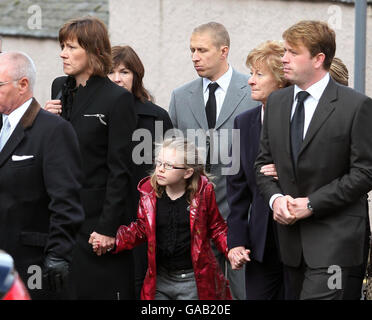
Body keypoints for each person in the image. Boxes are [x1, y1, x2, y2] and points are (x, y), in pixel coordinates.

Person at [255, 20, 372, 300]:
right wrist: (276, 200)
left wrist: (311, 204)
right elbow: (262, 165)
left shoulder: (356, 106)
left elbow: (365, 173)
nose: (284, 59)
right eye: (285, 51)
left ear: (319, 59)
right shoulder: (278, 103)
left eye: (293, 52)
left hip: (336, 242)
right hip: (291, 244)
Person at [44, 17, 137, 300]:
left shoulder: (117, 99)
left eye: (71, 47)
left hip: (95, 223)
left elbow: (121, 170)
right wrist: (46, 121)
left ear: (95, 50)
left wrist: (107, 228)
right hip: (58, 217)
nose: (63, 53)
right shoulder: (59, 87)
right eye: (62, 46)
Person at [168, 21, 257, 299]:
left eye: (202, 50)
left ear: (223, 51)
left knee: (245, 292)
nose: (195, 56)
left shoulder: (253, 90)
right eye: (192, 50)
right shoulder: (181, 96)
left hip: (245, 216)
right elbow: (173, 155)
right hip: (196, 219)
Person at [93, 137, 231, 300]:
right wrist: (113, 239)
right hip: (160, 279)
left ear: (187, 172)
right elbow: (141, 229)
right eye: (159, 163)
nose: (160, 169)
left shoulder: (203, 194)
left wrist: (233, 249)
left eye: (168, 166)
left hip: (192, 281)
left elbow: (217, 227)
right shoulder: (149, 195)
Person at [0, 51, 84, 299]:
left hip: (31, 262)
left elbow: (66, 200)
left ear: (23, 85)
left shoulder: (53, 130)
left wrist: (58, 254)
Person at [226, 41, 291, 299]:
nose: (251, 81)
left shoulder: (302, 121)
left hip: (299, 242)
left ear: (281, 81)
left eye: (259, 74)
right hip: (260, 246)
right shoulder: (243, 123)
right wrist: (237, 242)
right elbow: (237, 191)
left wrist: (285, 171)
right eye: (251, 73)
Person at [108, 45, 173, 298]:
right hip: (104, 216)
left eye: (124, 72)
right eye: (111, 72)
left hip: (145, 217)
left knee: (141, 284)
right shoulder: (93, 115)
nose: (117, 78)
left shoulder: (157, 117)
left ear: (136, 75)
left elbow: (168, 172)